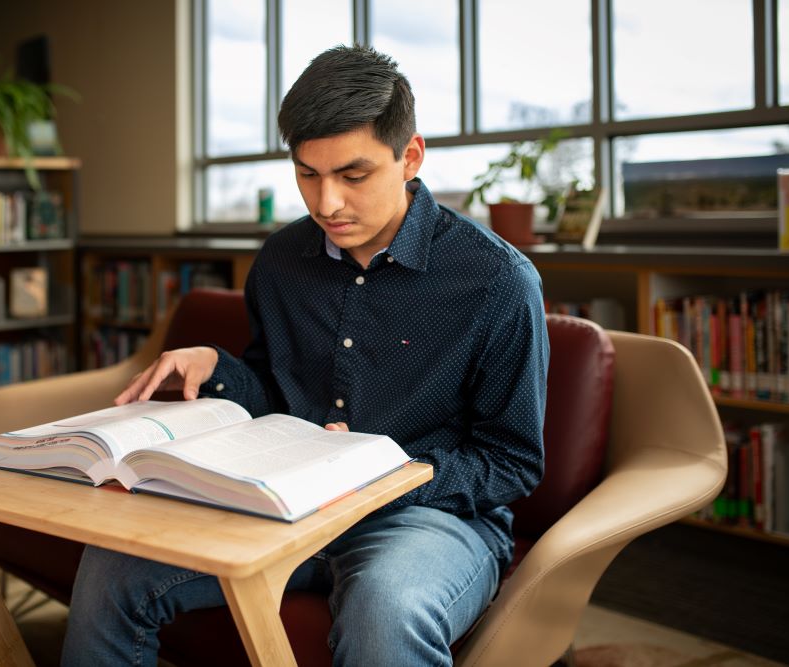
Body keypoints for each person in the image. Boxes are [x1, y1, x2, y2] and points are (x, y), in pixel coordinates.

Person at [61, 44, 549, 667]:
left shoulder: (496, 281)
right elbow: (273, 390)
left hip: (429, 520)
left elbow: (510, 461)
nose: (326, 205)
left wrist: (385, 476)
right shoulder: (282, 261)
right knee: (114, 563)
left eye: (353, 175)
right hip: (277, 505)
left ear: (411, 156)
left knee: (386, 610)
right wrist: (217, 368)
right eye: (306, 174)